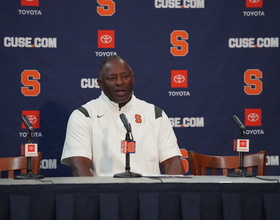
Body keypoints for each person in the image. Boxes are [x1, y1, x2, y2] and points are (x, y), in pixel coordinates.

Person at [61, 55, 184, 176]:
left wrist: (171, 194)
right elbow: (79, 166)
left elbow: (172, 161)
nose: (120, 82)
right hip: (103, 193)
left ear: (133, 78)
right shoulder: (84, 115)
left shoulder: (155, 114)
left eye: (125, 77)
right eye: (111, 78)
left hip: (149, 193)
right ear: (100, 83)